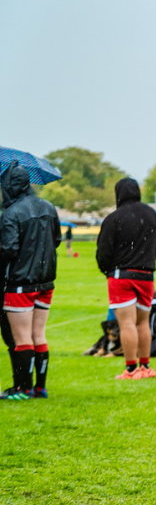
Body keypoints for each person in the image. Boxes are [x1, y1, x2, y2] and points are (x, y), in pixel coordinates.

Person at [0, 165, 61, 400]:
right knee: (39, 334)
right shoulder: (48, 207)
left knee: (22, 337)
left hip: (20, 282)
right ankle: (40, 388)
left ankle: (23, 389)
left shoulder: (11, 212)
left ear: (9, 186)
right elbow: (55, 239)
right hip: (45, 282)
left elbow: (9, 249)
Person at [95, 178, 156, 380]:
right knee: (143, 323)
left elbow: (104, 251)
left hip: (121, 276)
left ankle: (131, 369)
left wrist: (107, 269)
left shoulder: (114, 217)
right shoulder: (151, 215)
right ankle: (145, 367)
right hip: (146, 275)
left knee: (126, 323)